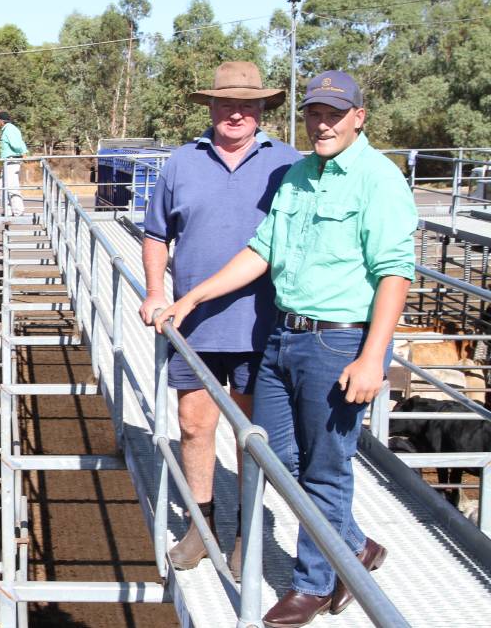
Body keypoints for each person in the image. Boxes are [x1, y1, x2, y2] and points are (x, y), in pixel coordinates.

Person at [155, 70, 417, 627]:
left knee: (326, 466)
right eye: (316, 114)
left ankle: (314, 584)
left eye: (335, 114)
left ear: (358, 118)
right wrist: (191, 297)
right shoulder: (299, 175)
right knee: (278, 459)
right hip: (283, 335)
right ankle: (355, 546)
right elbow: (262, 250)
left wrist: (374, 356)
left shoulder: (378, 179)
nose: (323, 124)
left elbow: (395, 273)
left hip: (337, 338)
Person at [139, 61, 300, 579]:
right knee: (194, 425)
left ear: (261, 110)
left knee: (252, 435)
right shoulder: (182, 163)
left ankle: (246, 533)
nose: (236, 114)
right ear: (209, 107)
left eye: (247, 105)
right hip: (195, 322)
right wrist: (156, 291)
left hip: (264, 323)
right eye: (226, 104)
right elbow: (156, 234)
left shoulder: (289, 164)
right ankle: (201, 525)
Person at [0, 111, 28, 216]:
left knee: (12, 186)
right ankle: (7, 210)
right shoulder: (9, 129)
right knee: (2, 185)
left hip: (12, 161)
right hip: (8, 162)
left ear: (1, 121)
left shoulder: (9, 129)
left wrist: (23, 152)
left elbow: (16, 144)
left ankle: (18, 210)